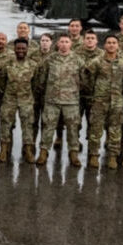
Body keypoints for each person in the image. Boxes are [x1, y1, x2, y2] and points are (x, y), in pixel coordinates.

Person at [35, 34, 83, 167]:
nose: (64, 44)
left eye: (67, 41)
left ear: (71, 44)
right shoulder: (50, 59)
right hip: (52, 100)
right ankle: (43, 152)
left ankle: (73, 153)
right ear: (57, 44)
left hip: (71, 101)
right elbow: (42, 79)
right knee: (48, 127)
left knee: (73, 128)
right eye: (61, 41)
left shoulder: (78, 60)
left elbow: (84, 79)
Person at [84, 35, 123, 170]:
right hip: (99, 100)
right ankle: (93, 155)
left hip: (117, 102)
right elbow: (88, 79)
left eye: (114, 43)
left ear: (118, 45)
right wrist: (93, 94)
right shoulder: (96, 62)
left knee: (115, 130)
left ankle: (112, 157)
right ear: (104, 45)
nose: (111, 45)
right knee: (95, 130)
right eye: (108, 42)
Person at [0, 38, 38, 163]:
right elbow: (1, 82)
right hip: (9, 99)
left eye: (23, 48)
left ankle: (28, 151)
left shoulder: (33, 65)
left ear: (27, 50)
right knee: (5, 124)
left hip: (26, 100)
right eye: (18, 48)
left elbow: (36, 84)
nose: (20, 50)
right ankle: (3, 150)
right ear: (14, 49)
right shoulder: (7, 64)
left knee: (27, 126)